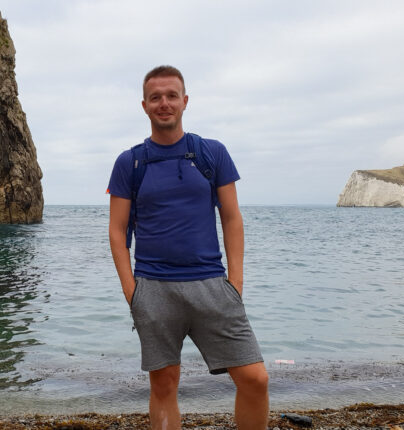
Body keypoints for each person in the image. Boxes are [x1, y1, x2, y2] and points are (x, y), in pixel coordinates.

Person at [107, 65, 269, 430]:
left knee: (255, 379)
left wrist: (236, 282)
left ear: (185, 101)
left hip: (212, 284)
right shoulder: (129, 162)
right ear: (145, 105)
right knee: (164, 385)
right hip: (153, 288)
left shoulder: (212, 153)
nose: (164, 103)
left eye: (171, 96)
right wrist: (131, 290)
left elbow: (231, 218)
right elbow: (117, 231)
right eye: (155, 97)